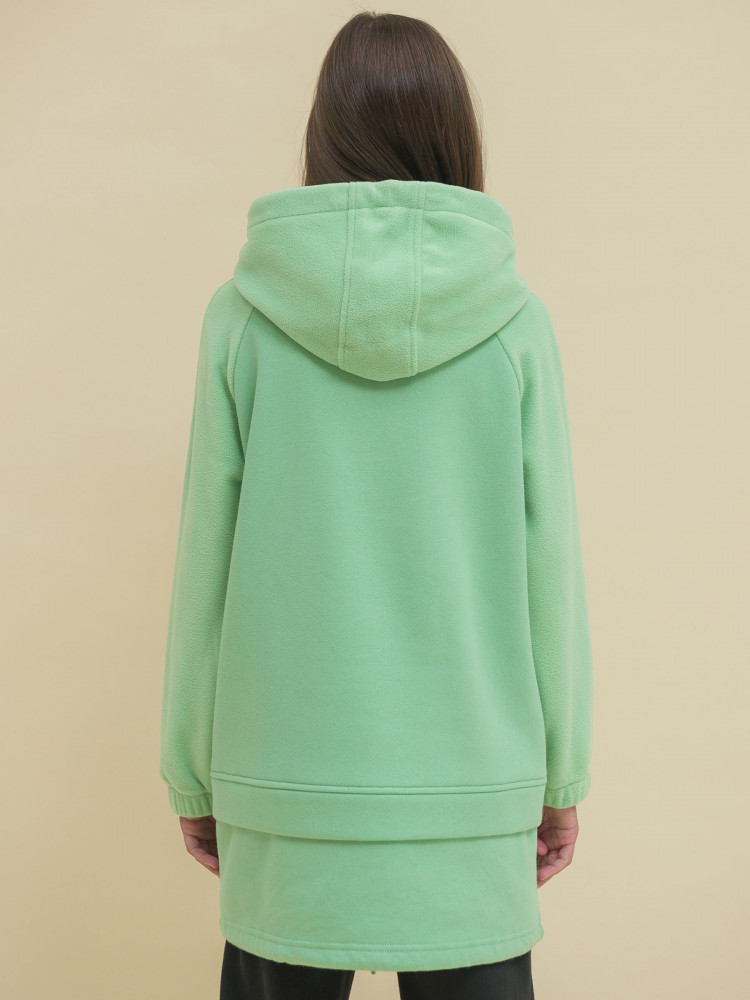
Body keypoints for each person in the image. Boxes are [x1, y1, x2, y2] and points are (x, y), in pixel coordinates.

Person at [159, 11, 594, 1000]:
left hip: (284, 785)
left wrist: (192, 767)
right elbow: (551, 565)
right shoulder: (516, 325)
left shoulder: (242, 318)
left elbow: (205, 560)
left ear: (325, 135)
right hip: (472, 789)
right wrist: (561, 774)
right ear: (455, 134)